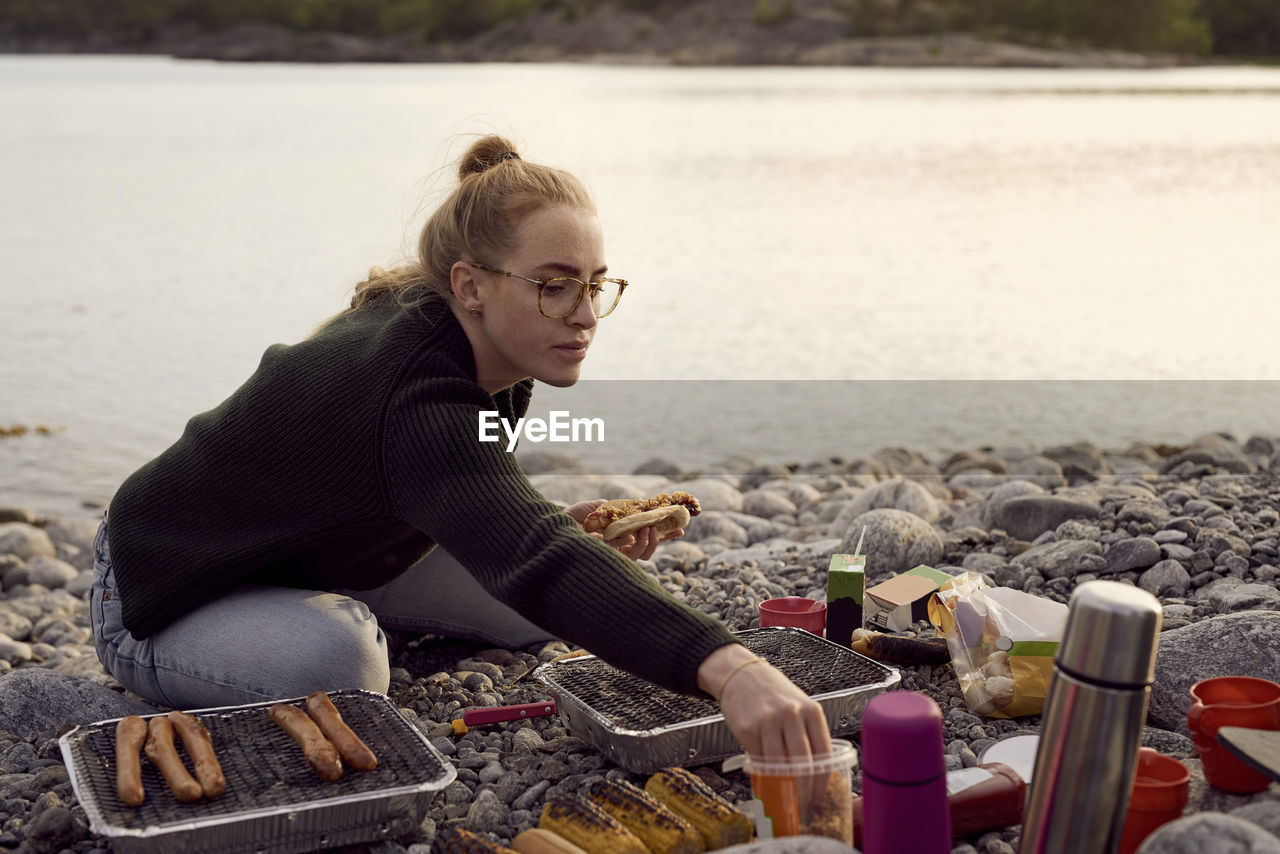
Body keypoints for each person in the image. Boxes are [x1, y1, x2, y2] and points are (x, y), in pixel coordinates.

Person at [91, 134, 831, 763]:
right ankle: (283, 628)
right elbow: (528, 546)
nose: (583, 316)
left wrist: (553, 532)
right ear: (469, 284)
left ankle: (326, 607)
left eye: (594, 285)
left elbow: (481, 502)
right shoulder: (414, 390)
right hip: (165, 583)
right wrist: (733, 671)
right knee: (343, 662)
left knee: (537, 611)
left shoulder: (485, 345)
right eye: (553, 286)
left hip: (314, 553)